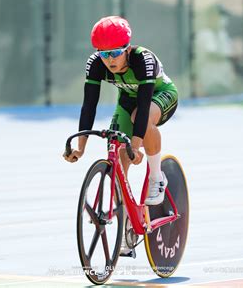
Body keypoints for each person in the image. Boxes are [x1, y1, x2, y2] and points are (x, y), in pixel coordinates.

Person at [63, 15, 178, 206]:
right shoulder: (95, 63)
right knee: (116, 149)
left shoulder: (142, 59)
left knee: (138, 119)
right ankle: (124, 218)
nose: (110, 60)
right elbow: (89, 106)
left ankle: (157, 177)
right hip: (127, 100)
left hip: (159, 95)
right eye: (104, 54)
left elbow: (142, 108)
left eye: (115, 53)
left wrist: (135, 144)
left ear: (127, 48)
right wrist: (81, 148)